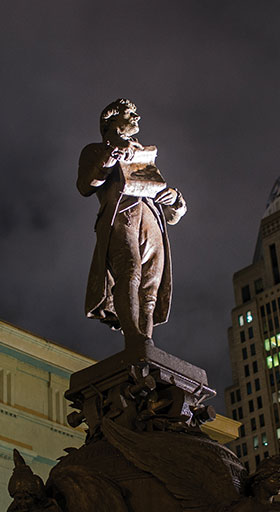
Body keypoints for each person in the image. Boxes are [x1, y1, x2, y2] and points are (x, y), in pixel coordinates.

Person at [77, 99, 186, 351]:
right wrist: (110, 158)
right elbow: (85, 185)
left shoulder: (144, 155)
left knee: (149, 289)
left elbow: (172, 215)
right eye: (130, 114)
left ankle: (145, 343)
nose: (137, 117)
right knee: (129, 271)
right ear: (111, 121)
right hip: (121, 216)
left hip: (152, 220)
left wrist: (176, 201)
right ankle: (133, 338)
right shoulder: (95, 150)